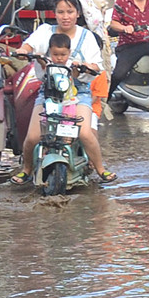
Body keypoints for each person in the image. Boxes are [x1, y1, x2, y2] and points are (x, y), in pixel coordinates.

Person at [20, 29, 115, 185]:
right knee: (32, 137)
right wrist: (32, 55)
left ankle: (100, 168)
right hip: (49, 98)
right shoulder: (47, 62)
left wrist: (81, 66)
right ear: (50, 52)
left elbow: (78, 75)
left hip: (72, 100)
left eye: (63, 55)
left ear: (69, 53)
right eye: (55, 54)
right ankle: (26, 169)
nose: (59, 58)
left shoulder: (72, 64)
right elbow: (40, 60)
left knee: (84, 133)